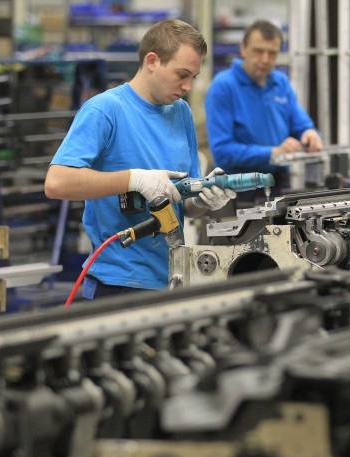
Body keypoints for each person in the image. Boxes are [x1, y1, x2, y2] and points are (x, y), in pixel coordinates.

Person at [45, 19, 235, 300]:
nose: (187, 86)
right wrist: (133, 179)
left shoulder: (181, 113)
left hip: (171, 277)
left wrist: (204, 199)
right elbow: (57, 182)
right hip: (118, 283)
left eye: (192, 77)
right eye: (181, 74)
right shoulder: (106, 110)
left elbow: (185, 202)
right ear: (152, 61)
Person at [205, 19, 323, 203]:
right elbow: (222, 150)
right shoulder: (223, 86)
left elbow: (302, 125)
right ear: (243, 48)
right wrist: (272, 153)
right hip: (238, 190)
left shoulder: (280, 82)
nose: (265, 60)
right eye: (258, 51)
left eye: (272, 53)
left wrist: (310, 133)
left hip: (279, 184)